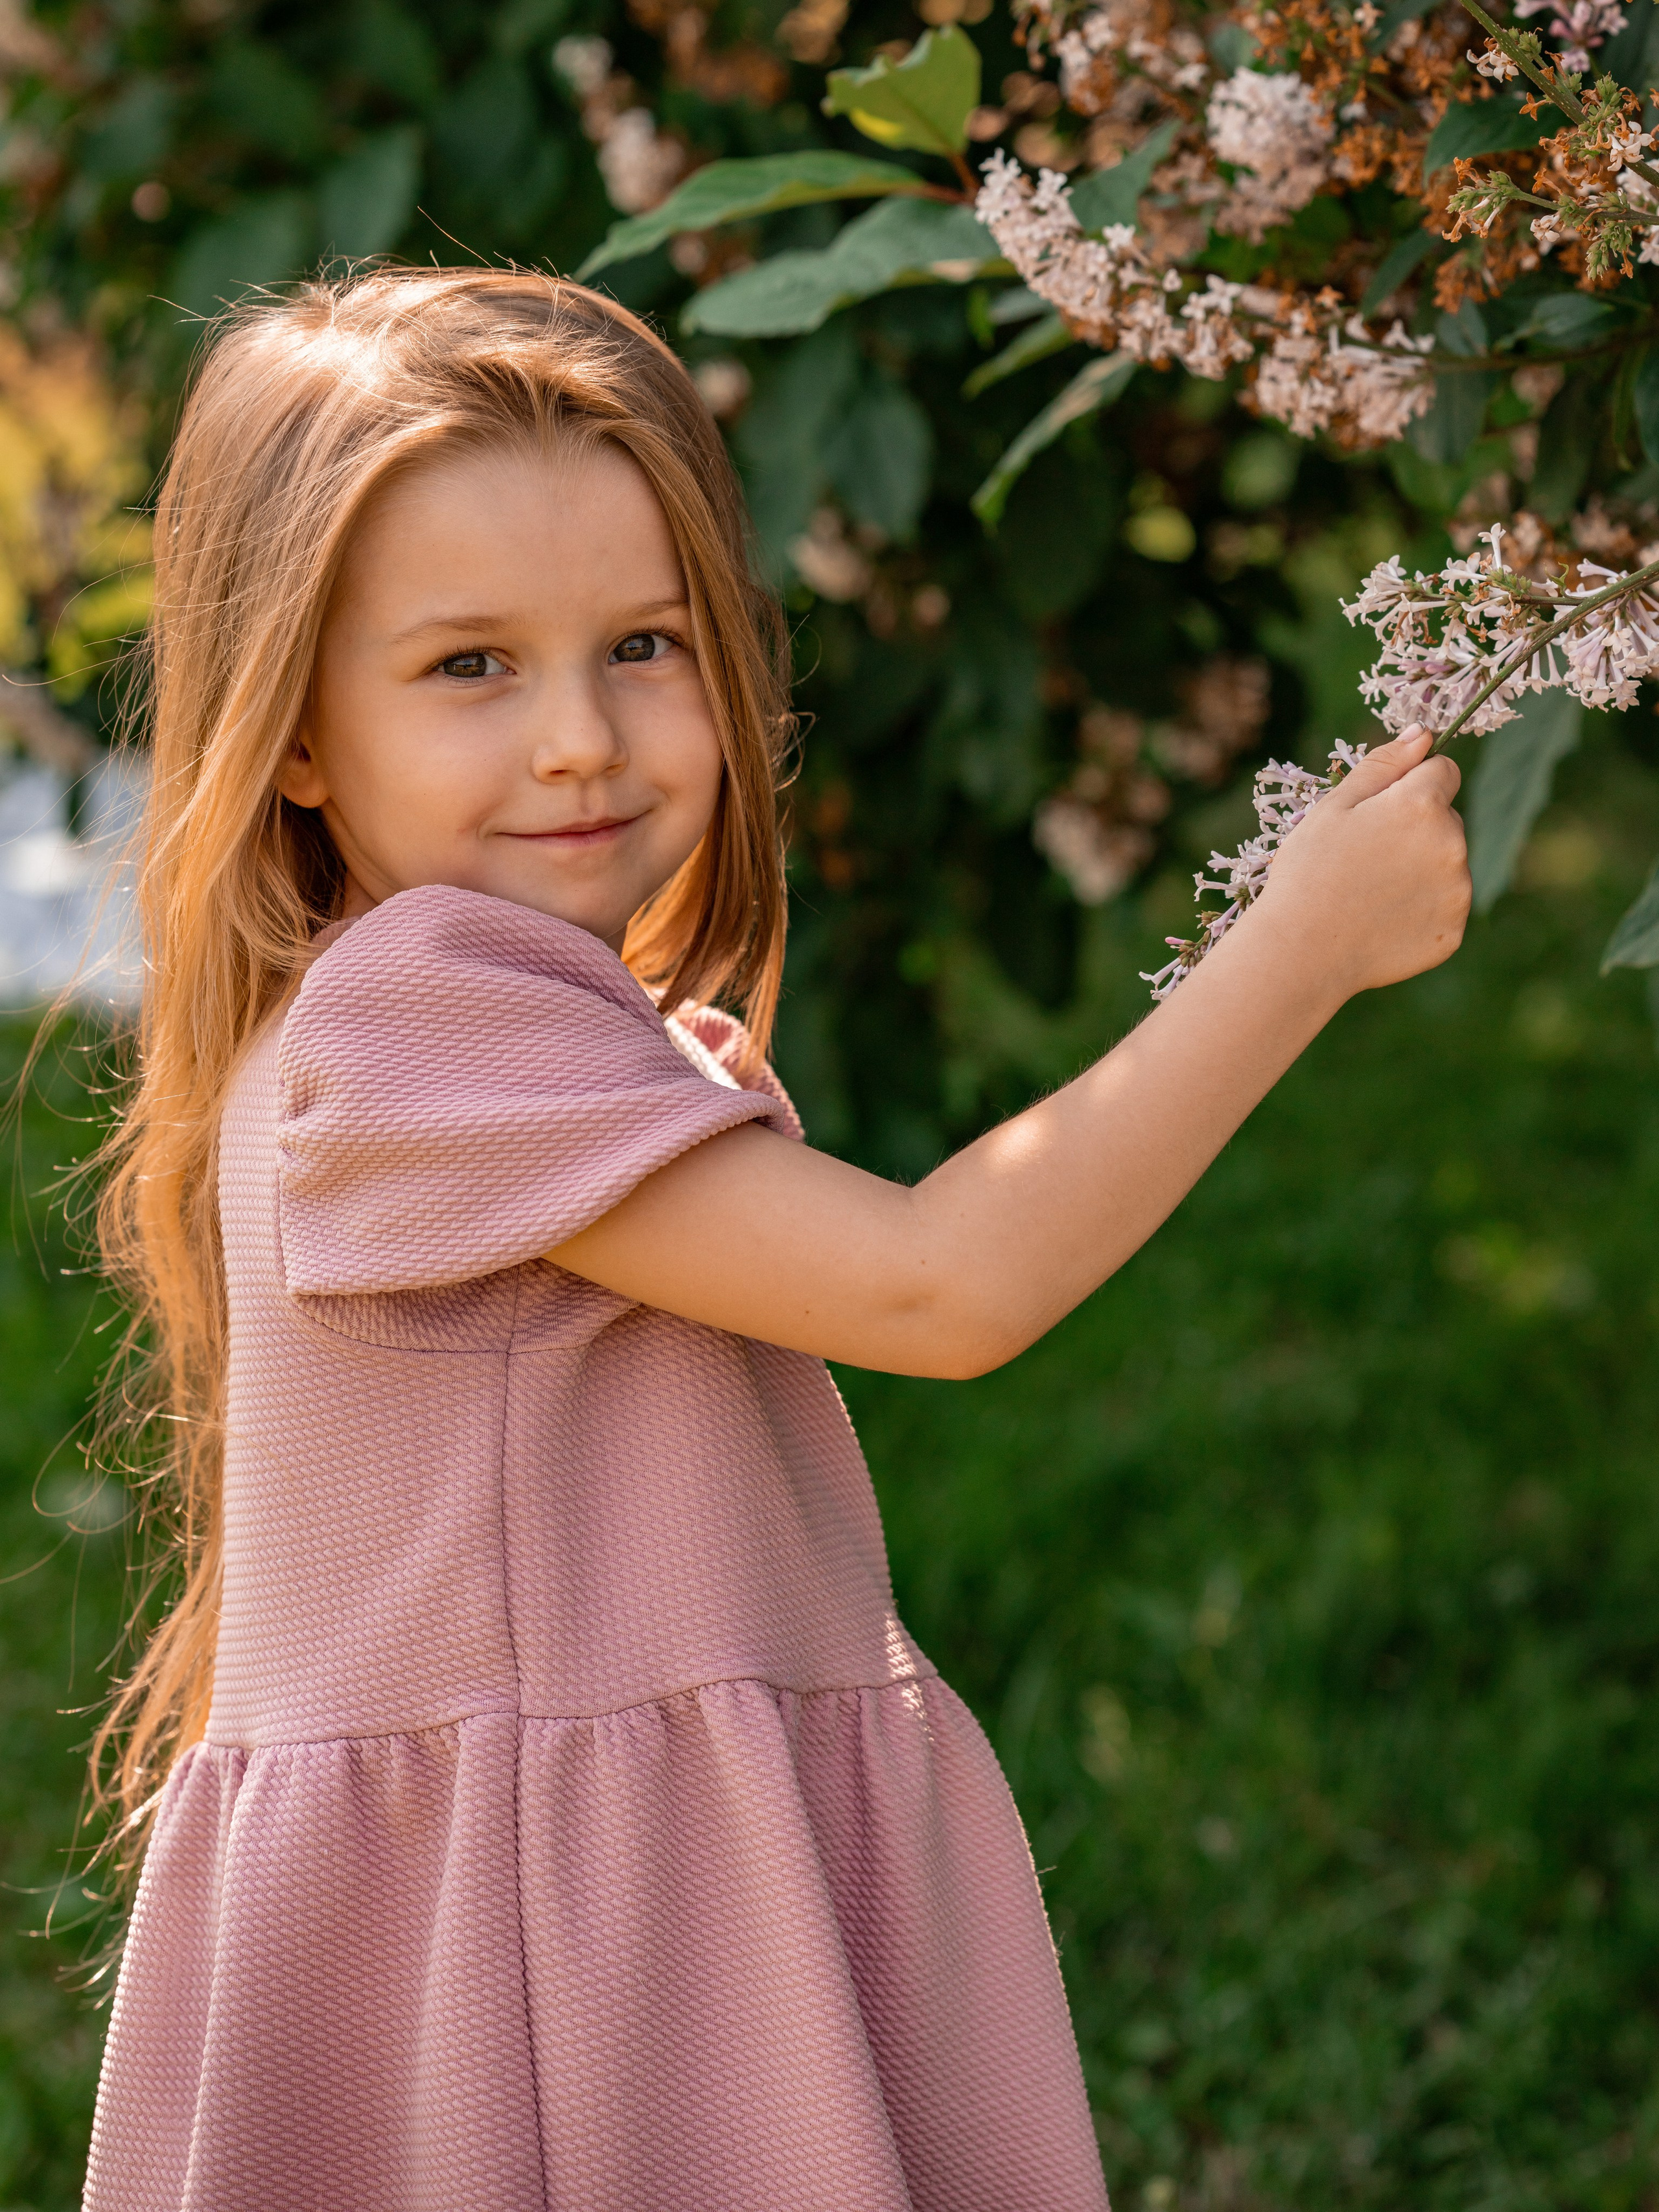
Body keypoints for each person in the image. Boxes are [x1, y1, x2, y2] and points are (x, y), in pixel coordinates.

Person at [81, 268, 1470, 2212]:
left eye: (642, 643)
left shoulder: (454, 1011)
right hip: (581, 1959)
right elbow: (943, 1286)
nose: (580, 739)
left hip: (604, 1898)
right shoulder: (420, 1010)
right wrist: (1296, 947)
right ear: (293, 732)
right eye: (469, 665)